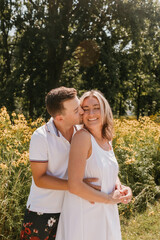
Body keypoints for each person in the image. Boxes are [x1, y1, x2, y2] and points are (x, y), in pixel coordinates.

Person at [20, 87, 97, 240]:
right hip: (42, 211)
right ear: (60, 118)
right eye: (76, 110)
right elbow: (40, 179)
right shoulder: (41, 137)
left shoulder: (83, 133)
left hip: (72, 209)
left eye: (80, 107)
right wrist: (77, 185)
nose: (82, 112)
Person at [56, 90, 132, 240]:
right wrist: (110, 199)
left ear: (104, 109)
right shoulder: (82, 137)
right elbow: (74, 185)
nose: (91, 113)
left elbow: (108, 170)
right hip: (85, 213)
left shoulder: (106, 138)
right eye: (85, 109)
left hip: (105, 209)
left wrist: (121, 188)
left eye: (96, 107)